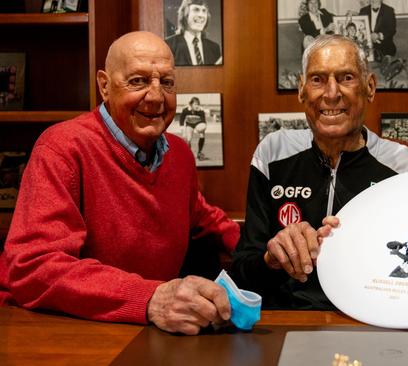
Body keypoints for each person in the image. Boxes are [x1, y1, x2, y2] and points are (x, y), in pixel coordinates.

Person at [0, 31, 240, 335]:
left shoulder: (178, 153)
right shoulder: (62, 148)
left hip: (139, 329)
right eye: (138, 81)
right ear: (104, 85)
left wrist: (264, 250)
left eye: (166, 82)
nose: (155, 96)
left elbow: (204, 217)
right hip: (52, 329)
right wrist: (150, 298)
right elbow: (34, 268)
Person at [231, 34, 408, 310]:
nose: (331, 94)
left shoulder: (404, 166)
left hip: (368, 320)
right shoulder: (273, 152)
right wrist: (272, 259)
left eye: (346, 78)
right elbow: (242, 272)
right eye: (318, 79)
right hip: (284, 320)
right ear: (301, 90)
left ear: (369, 87)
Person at [165, 0, 222, 66]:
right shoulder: (169, 45)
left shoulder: (214, 48)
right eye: (196, 10)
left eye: (204, 11)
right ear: (185, 14)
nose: (201, 15)